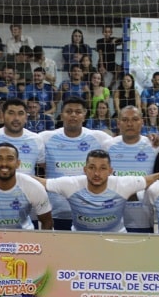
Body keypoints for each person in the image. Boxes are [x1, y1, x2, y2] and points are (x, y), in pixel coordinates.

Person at [35, 149, 159, 232]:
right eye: (92, 167)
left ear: (110, 171)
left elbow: (153, 178)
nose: (97, 173)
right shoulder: (72, 184)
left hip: (116, 239)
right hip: (80, 239)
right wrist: (15, 175)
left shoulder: (122, 184)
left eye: (103, 168)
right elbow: (40, 183)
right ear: (85, 170)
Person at [39, 98, 112, 230]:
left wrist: (153, 140)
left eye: (78, 112)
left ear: (84, 115)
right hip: (56, 213)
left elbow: (123, 144)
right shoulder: (45, 137)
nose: (73, 115)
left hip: (89, 212)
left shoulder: (99, 138)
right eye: (69, 111)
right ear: (61, 115)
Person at [103, 105, 158, 232]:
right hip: (113, 217)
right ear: (118, 123)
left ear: (142, 122)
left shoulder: (155, 147)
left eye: (134, 119)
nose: (130, 124)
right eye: (125, 120)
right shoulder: (107, 147)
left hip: (144, 219)